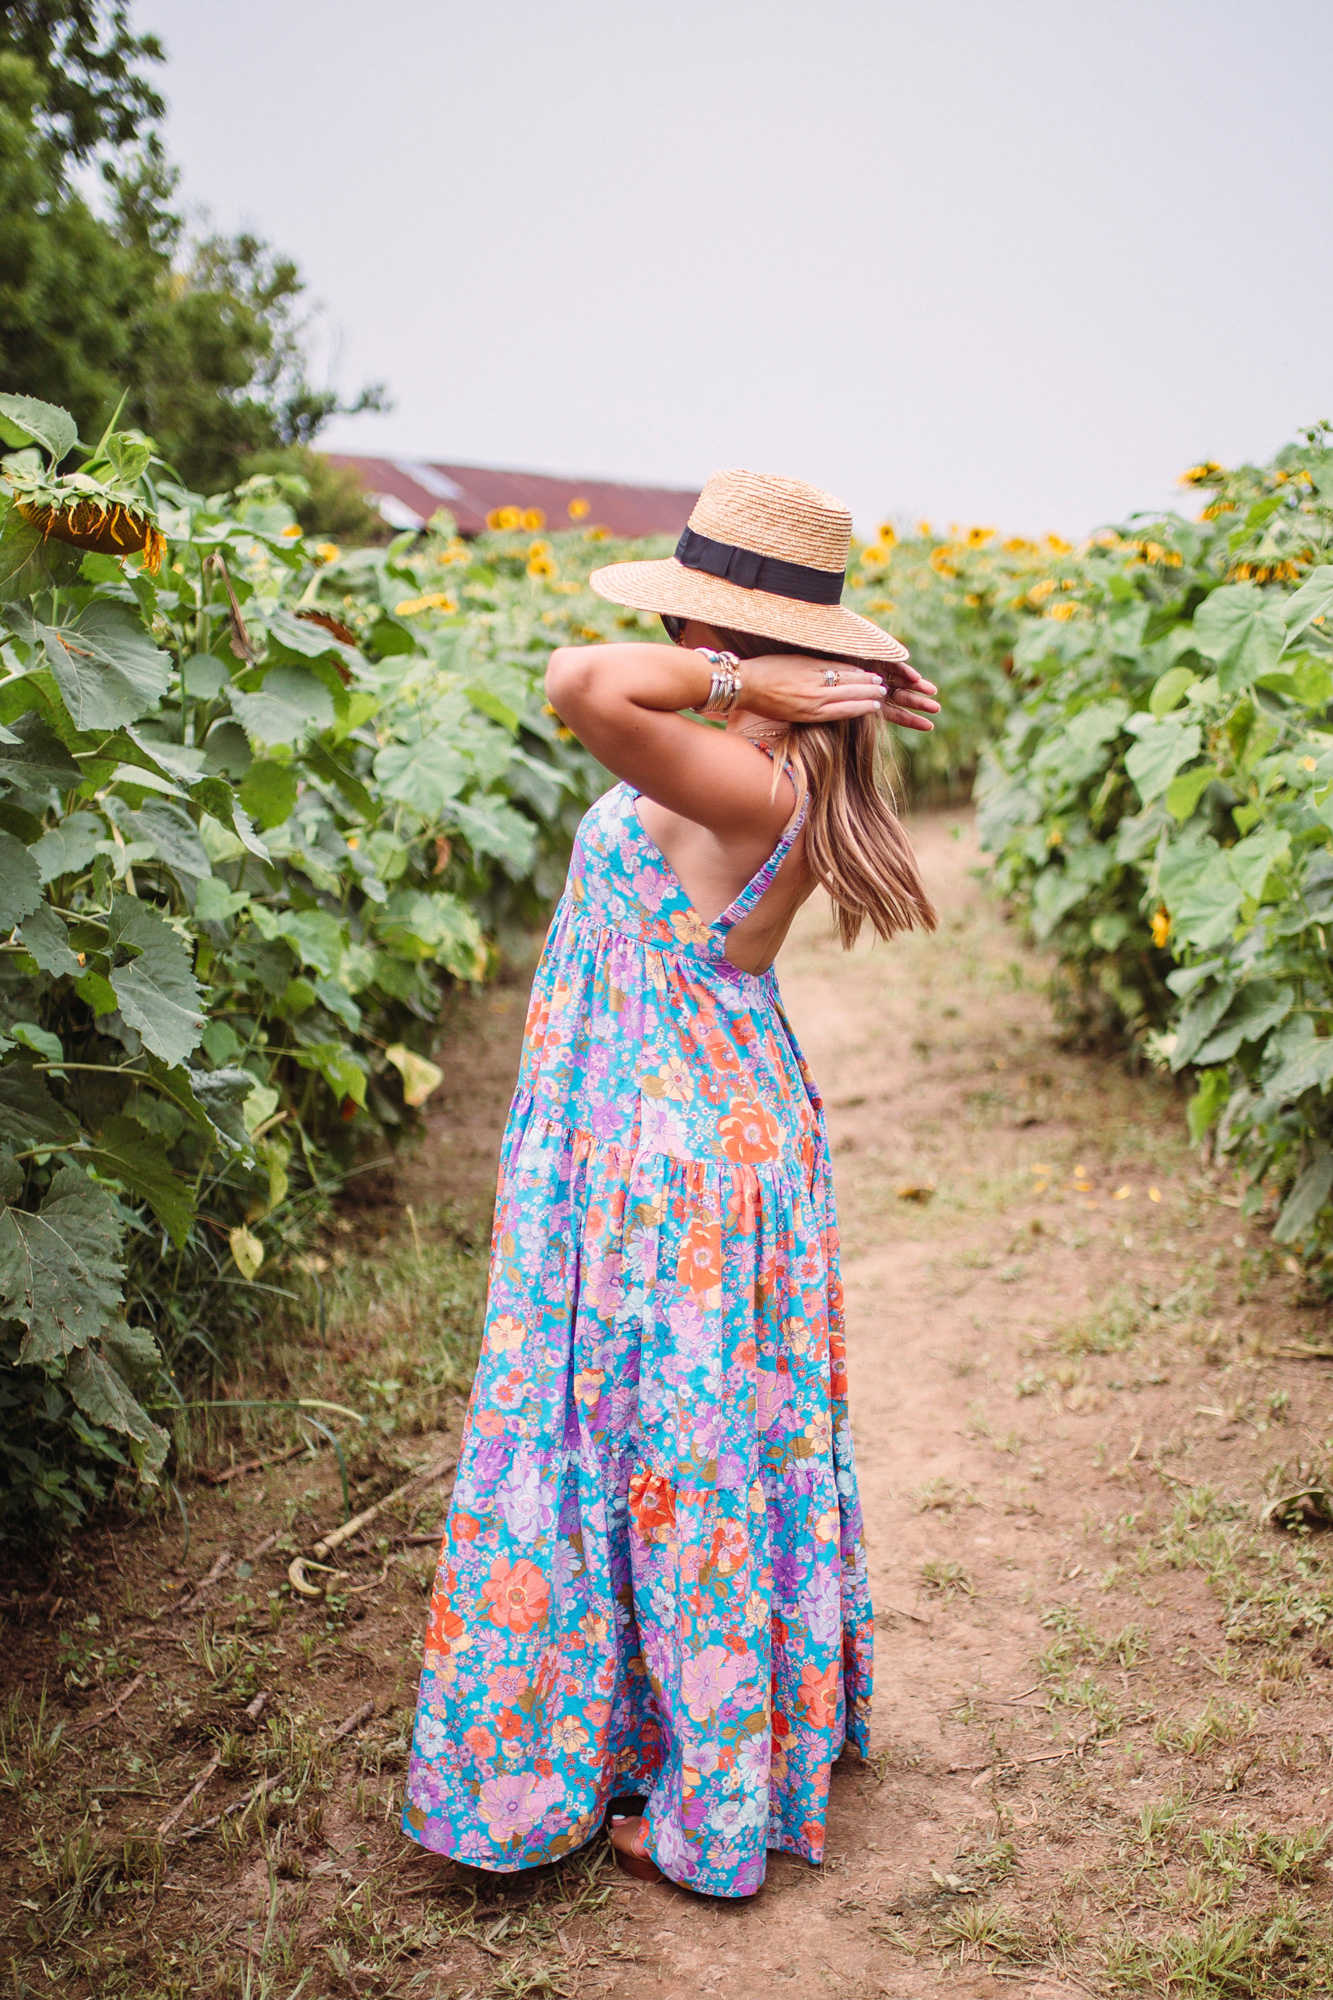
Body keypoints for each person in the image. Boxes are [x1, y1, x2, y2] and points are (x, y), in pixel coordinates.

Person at [402, 469, 940, 1898]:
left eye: (710, 629)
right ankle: (700, 1747)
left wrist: (733, 669)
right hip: (708, 1143)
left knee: (645, 1455)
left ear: (740, 636)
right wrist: (799, 682)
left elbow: (577, 677)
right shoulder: (787, 767)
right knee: (692, 1458)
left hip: (666, 1163)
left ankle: (700, 1811)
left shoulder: (746, 769)